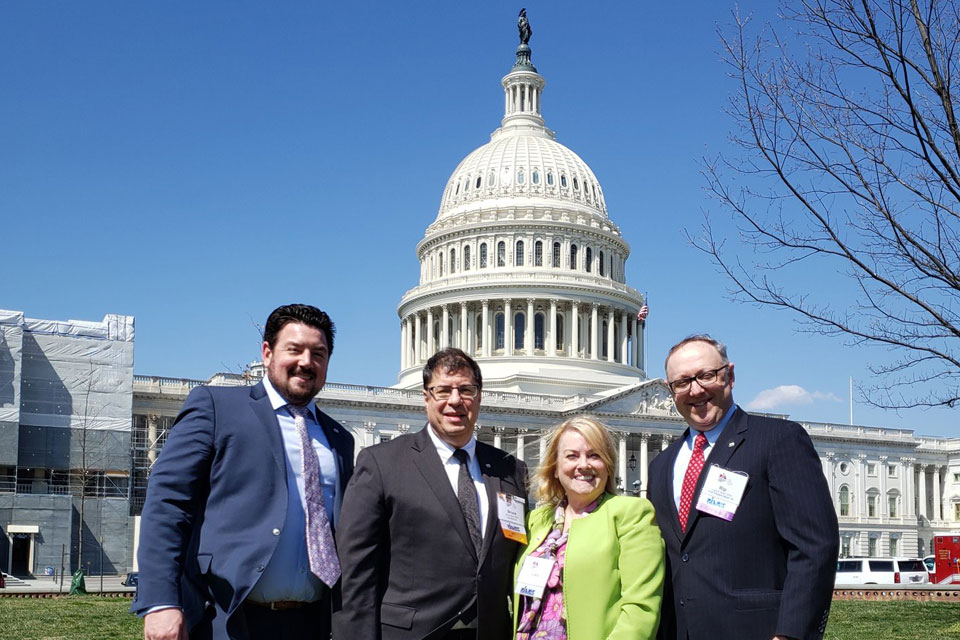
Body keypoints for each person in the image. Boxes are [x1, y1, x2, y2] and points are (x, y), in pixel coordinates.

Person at [132, 304, 355, 640]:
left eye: (318, 353)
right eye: (294, 349)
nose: (306, 362)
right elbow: (167, 504)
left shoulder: (339, 439)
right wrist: (161, 601)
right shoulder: (216, 407)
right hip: (229, 618)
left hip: (313, 623)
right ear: (267, 353)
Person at [647, 335, 839, 640]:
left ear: (730, 375)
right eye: (682, 382)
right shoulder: (661, 465)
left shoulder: (778, 439)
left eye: (706, 375)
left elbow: (815, 546)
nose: (695, 389)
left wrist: (790, 634)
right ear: (671, 391)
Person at [334, 347, 527, 640]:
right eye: (443, 391)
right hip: (413, 633)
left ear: (479, 398)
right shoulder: (382, 463)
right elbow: (356, 569)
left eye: (466, 390)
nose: (455, 400)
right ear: (426, 399)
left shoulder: (510, 469)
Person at [512, 415, 664, 640]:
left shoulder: (631, 514)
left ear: (608, 465)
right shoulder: (537, 520)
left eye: (594, 455)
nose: (583, 465)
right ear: (555, 467)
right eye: (572, 456)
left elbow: (640, 610)